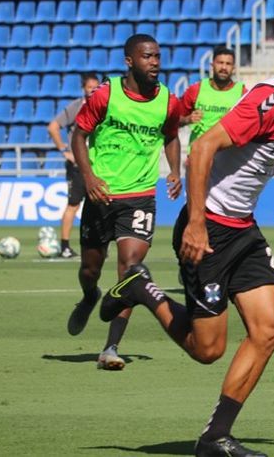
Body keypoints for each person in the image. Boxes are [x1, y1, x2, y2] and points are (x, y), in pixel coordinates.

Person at [99, 30, 274, 456]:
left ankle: (215, 438)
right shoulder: (268, 102)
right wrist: (194, 222)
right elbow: (204, 148)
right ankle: (140, 288)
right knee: (206, 350)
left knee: (269, 330)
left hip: (243, 231)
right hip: (207, 227)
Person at [66, 34, 182, 371]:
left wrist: (175, 170)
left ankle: (111, 347)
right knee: (90, 268)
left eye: (158, 56)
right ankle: (90, 296)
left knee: (130, 271)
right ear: (129, 60)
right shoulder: (107, 94)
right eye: (147, 56)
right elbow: (79, 135)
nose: (155, 62)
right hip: (101, 195)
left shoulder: (168, 102)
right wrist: (88, 177)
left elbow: (172, 136)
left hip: (140, 196)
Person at [47, 73, 100, 258]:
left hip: (98, 165)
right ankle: (65, 246)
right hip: (78, 166)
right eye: (89, 86)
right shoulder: (76, 107)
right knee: (73, 205)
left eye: (96, 86)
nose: (93, 89)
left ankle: (99, 246)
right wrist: (64, 150)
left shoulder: (103, 106)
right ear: (83, 88)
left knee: (100, 205)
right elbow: (53, 126)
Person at [179, 45, 247, 151]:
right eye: (220, 63)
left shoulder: (242, 93)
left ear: (233, 68)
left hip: (227, 157)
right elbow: (175, 120)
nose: (224, 67)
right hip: (198, 154)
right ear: (212, 65)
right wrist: (187, 119)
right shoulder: (196, 89)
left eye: (228, 64)